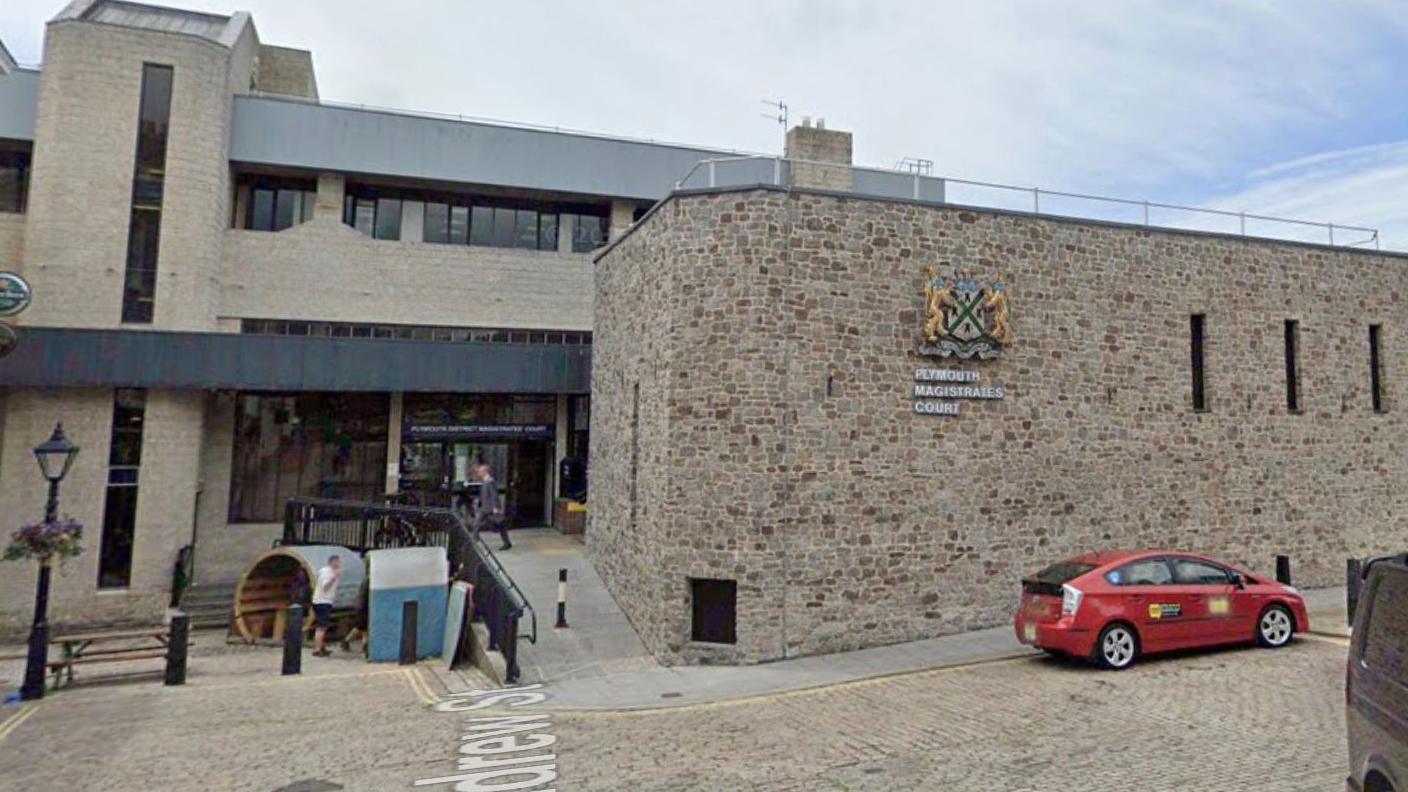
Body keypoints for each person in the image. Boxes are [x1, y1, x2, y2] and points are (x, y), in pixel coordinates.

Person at [473, 462, 511, 551]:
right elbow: (484, 494)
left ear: (485, 472)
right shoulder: (485, 482)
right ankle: (474, 539)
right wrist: (478, 501)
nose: (479, 473)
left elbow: (494, 495)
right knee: (476, 524)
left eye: (480, 471)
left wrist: (496, 508)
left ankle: (506, 542)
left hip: (490, 508)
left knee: (500, 525)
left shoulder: (490, 482)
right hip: (484, 508)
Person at [311, 555, 341, 658]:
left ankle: (321, 647)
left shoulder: (325, 571)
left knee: (323, 625)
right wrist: (334, 578)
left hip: (324, 601)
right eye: (337, 562)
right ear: (332, 562)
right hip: (322, 601)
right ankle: (317, 649)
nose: (339, 564)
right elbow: (325, 587)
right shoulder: (327, 572)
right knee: (321, 626)